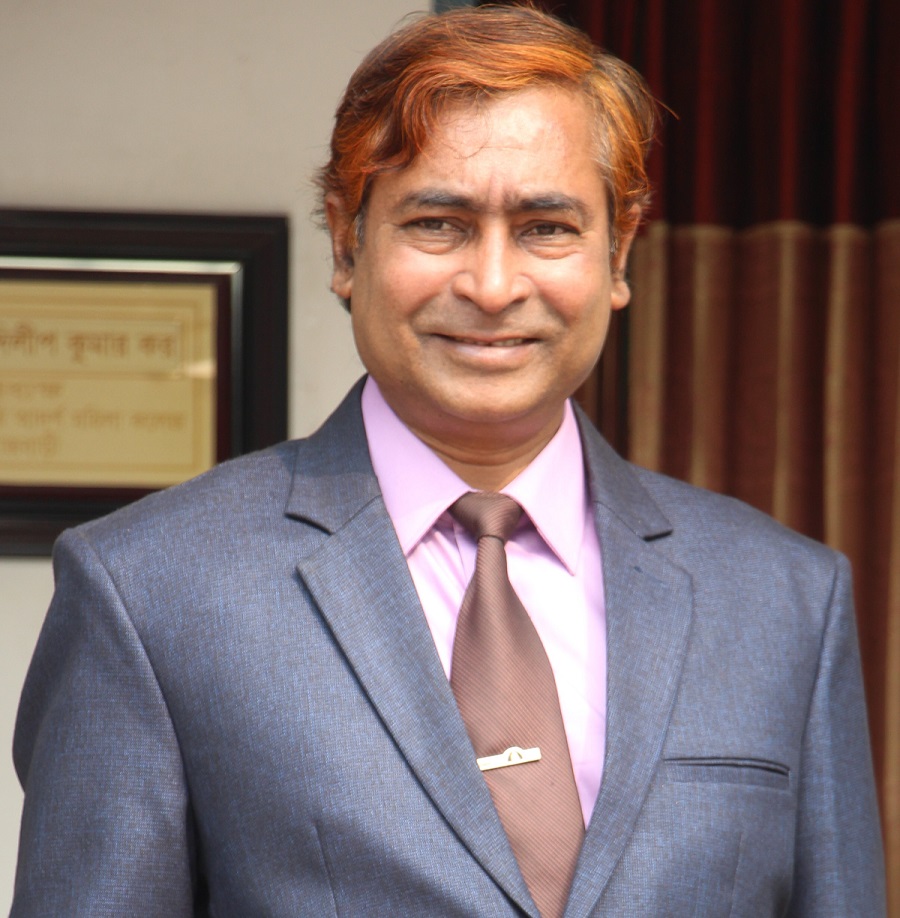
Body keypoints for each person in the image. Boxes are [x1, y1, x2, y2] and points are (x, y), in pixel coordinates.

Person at [11, 5, 886, 916]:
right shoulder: (149, 591)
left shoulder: (783, 599)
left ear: (619, 251)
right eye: (439, 223)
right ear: (347, 242)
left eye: (547, 227)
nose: (494, 286)